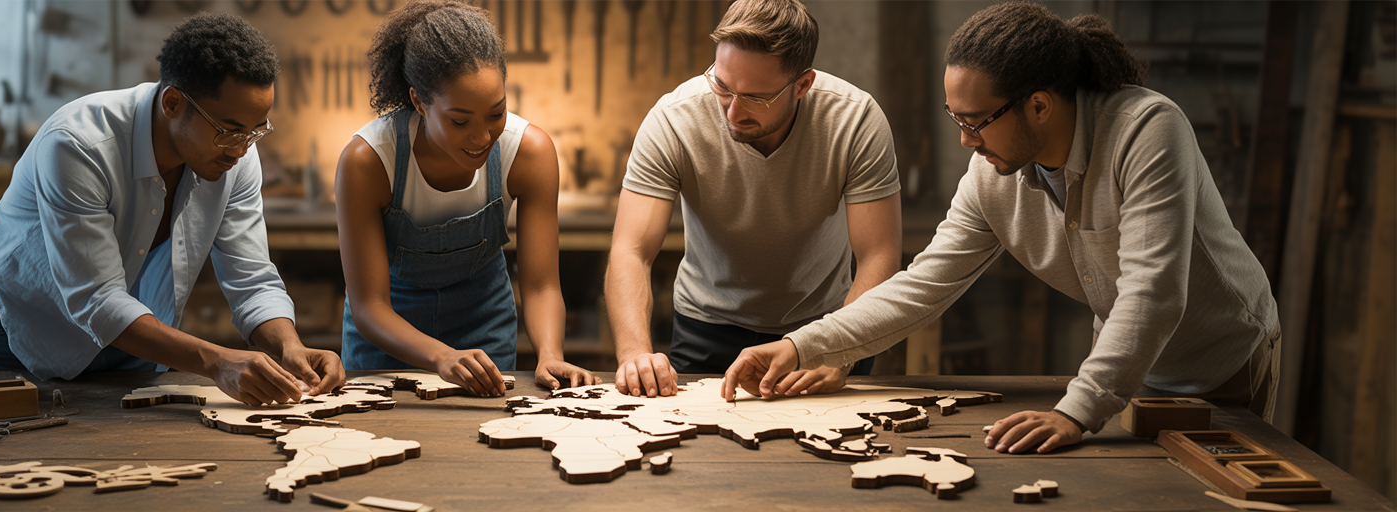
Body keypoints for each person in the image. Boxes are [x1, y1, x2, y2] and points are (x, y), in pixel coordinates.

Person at [722, 1, 1280, 455]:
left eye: (975, 121)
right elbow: (922, 287)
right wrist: (801, 346)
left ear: (1038, 106)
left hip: (1221, 361)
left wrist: (1076, 410)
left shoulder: (1147, 131)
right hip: (1127, 370)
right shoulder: (992, 174)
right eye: (955, 118)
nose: (966, 140)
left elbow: (1152, 293)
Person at [0, 13, 344, 406]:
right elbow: (97, 299)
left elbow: (251, 278)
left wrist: (289, 347)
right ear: (173, 103)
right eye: (229, 131)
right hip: (26, 325)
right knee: (3, 437)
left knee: (134, 441)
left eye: (256, 130)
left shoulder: (236, 156)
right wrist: (216, 361)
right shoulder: (78, 145)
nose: (241, 149)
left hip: (138, 333)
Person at [608, 0, 903, 398]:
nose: (732, 112)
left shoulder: (855, 121)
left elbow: (879, 255)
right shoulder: (674, 120)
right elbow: (631, 250)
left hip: (826, 327)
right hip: (706, 325)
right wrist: (633, 353)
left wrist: (838, 349)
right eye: (722, 87)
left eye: (756, 98)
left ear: (802, 85)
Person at [337, 1, 597, 395]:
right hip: (387, 338)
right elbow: (369, 306)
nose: (482, 137)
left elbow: (542, 285)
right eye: (460, 121)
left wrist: (549, 353)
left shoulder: (529, 153)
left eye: (496, 113)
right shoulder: (369, 161)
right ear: (419, 103)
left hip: (483, 328)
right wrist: (441, 355)